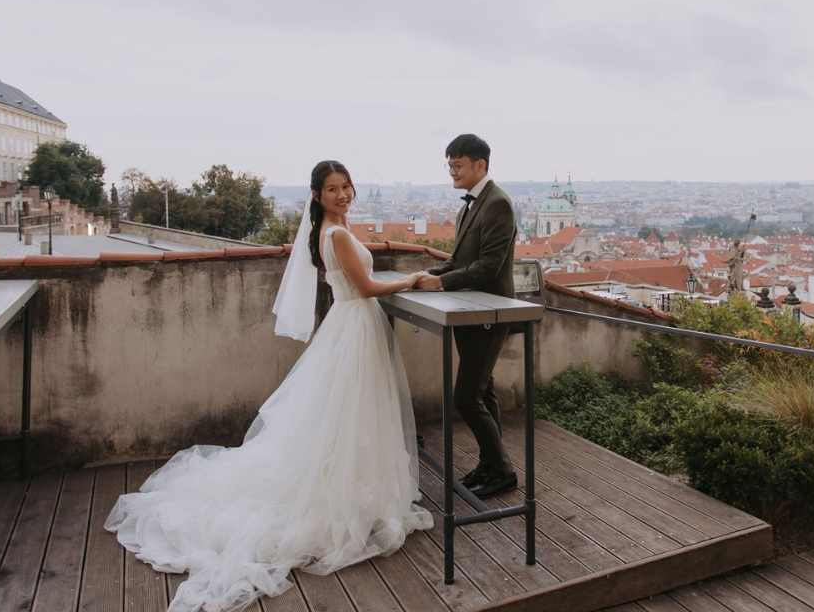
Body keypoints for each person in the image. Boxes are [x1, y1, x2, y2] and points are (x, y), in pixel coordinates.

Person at [105, 160, 433, 612]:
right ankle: (350, 495)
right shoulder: (336, 235)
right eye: (333, 189)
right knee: (350, 413)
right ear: (317, 195)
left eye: (346, 187)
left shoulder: (330, 232)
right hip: (354, 325)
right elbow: (365, 286)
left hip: (348, 327)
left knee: (341, 418)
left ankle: (355, 489)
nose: (342, 195)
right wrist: (412, 279)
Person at [414, 134, 518, 499]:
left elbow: (489, 267)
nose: (452, 171)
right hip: (470, 311)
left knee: (466, 396)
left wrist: (439, 283)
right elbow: (459, 262)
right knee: (483, 391)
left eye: (458, 164)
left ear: (480, 165)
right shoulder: (470, 206)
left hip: (491, 311)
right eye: (450, 165)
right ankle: (491, 464)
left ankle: (503, 470)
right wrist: (422, 277)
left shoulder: (498, 204)